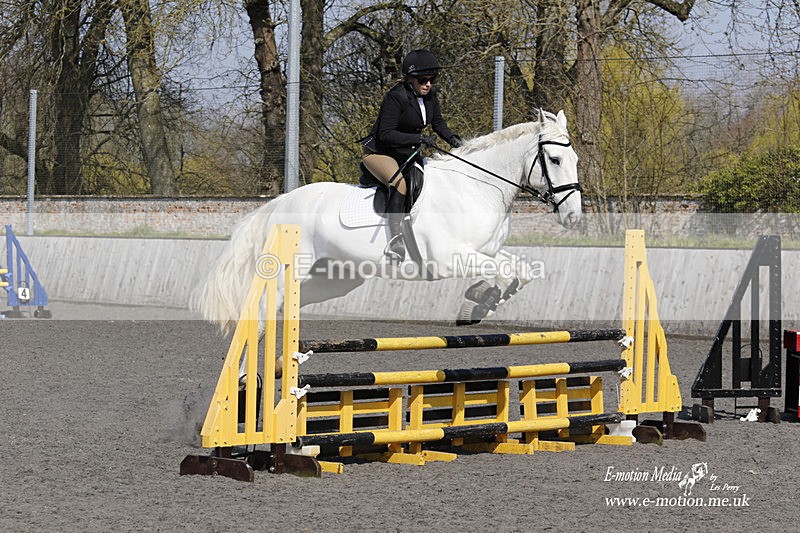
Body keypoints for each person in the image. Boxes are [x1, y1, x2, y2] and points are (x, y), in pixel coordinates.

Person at [362, 49, 463, 262]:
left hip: (406, 152)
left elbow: (438, 122)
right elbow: (386, 134)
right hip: (379, 152)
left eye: (431, 79)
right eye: (422, 80)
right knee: (400, 184)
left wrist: (453, 139)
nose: (428, 84)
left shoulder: (431, 96)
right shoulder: (395, 97)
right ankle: (395, 241)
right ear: (410, 79)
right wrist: (417, 140)